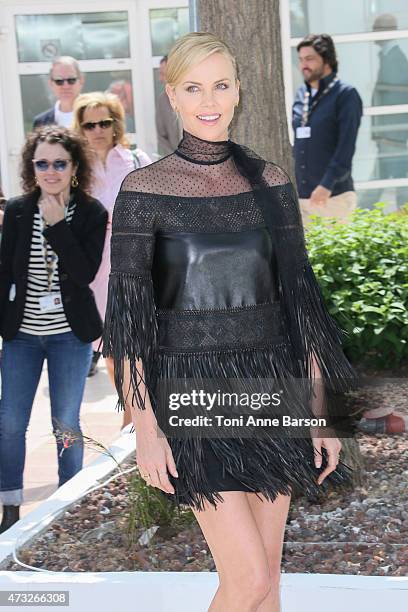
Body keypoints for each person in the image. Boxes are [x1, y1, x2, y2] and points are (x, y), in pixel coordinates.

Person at [102, 33, 356, 611]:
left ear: (239, 91)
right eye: (194, 87)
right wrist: (145, 426)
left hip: (273, 388)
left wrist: (322, 414)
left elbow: (302, 307)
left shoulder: (271, 182)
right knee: (247, 582)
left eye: (220, 84)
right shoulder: (145, 190)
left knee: (268, 578)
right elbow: (131, 323)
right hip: (190, 398)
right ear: (172, 96)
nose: (208, 99)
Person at [0, 126, 108, 533]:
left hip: (69, 336)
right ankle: (10, 504)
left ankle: (68, 501)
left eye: (59, 163)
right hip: (21, 336)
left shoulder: (93, 212)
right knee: (10, 421)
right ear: (32, 167)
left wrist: (58, 224)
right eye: (42, 163)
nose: (50, 171)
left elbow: (83, 273)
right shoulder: (17, 209)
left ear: (74, 166)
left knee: (65, 421)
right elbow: (4, 271)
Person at [72, 92, 151, 431]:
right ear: (81, 128)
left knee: (135, 343)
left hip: (135, 264)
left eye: (104, 122)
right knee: (109, 346)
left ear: (116, 123)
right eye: (90, 124)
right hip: (95, 270)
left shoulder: (135, 159)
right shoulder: (75, 168)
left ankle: (136, 418)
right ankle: (130, 414)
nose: (98, 130)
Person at [292, 34, 363, 227]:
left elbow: (345, 148)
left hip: (333, 198)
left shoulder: (346, 95)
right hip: (303, 199)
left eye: (310, 59)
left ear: (327, 61)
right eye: (301, 60)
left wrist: (326, 185)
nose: (303, 65)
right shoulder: (301, 95)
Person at [367, 14, 408, 209]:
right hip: (391, 137)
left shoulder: (395, 60)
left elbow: (396, 100)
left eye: (375, 28)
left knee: (388, 183)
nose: (372, 33)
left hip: (393, 138)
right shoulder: (390, 57)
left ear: (385, 31)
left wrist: (388, 135)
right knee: (391, 183)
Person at [32, 57, 85, 129]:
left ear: (81, 80)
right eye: (59, 81)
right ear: (51, 83)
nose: (66, 86)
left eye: (71, 80)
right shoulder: (41, 122)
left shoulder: (95, 115)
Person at [155, 55, 182, 156]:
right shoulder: (162, 101)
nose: (160, 79)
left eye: (163, 74)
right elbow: (161, 137)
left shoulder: (196, 95)